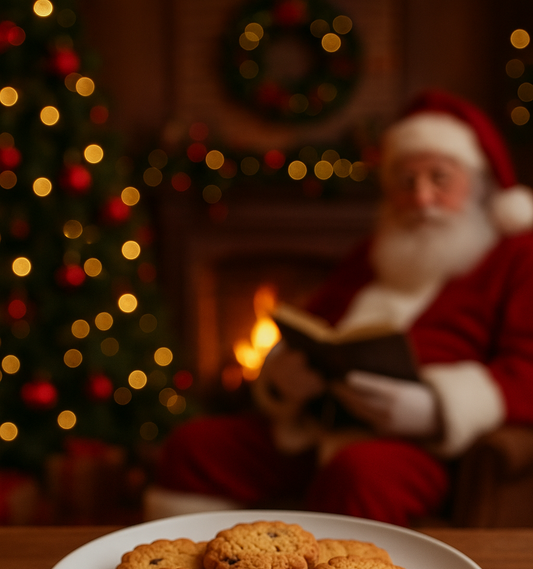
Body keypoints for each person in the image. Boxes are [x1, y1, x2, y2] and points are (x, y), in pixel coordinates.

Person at [152, 89, 533, 527]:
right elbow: (312, 327)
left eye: (439, 179)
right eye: (406, 181)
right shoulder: (375, 251)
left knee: (358, 475)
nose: (421, 197)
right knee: (194, 446)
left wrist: (434, 409)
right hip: (316, 426)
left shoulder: (517, 256)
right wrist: (282, 377)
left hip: (420, 445)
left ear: (478, 182)